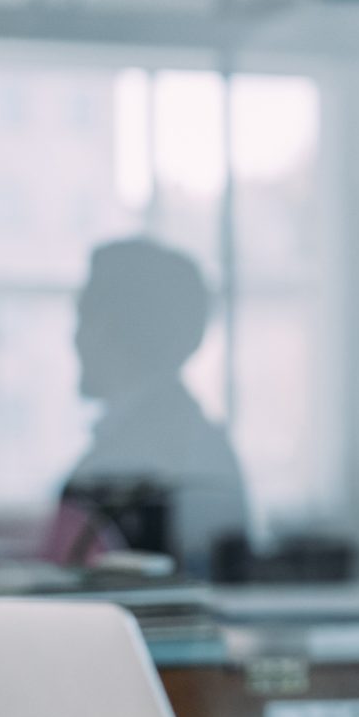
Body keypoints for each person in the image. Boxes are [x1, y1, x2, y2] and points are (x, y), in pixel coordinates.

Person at [47, 237, 249, 578]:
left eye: (85, 316)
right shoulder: (194, 445)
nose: (75, 337)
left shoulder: (154, 466)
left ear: (116, 327)